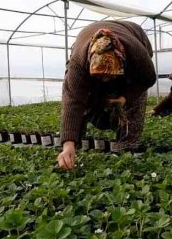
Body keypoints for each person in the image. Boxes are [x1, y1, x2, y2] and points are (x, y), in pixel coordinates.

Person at [57, 21, 156, 170]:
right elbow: (72, 101)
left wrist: (125, 97)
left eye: (109, 76)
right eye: (100, 76)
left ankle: (126, 148)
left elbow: (148, 79)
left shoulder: (137, 55)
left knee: (136, 101)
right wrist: (67, 145)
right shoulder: (78, 64)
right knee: (85, 99)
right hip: (84, 53)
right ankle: (75, 146)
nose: (105, 80)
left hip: (134, 46)